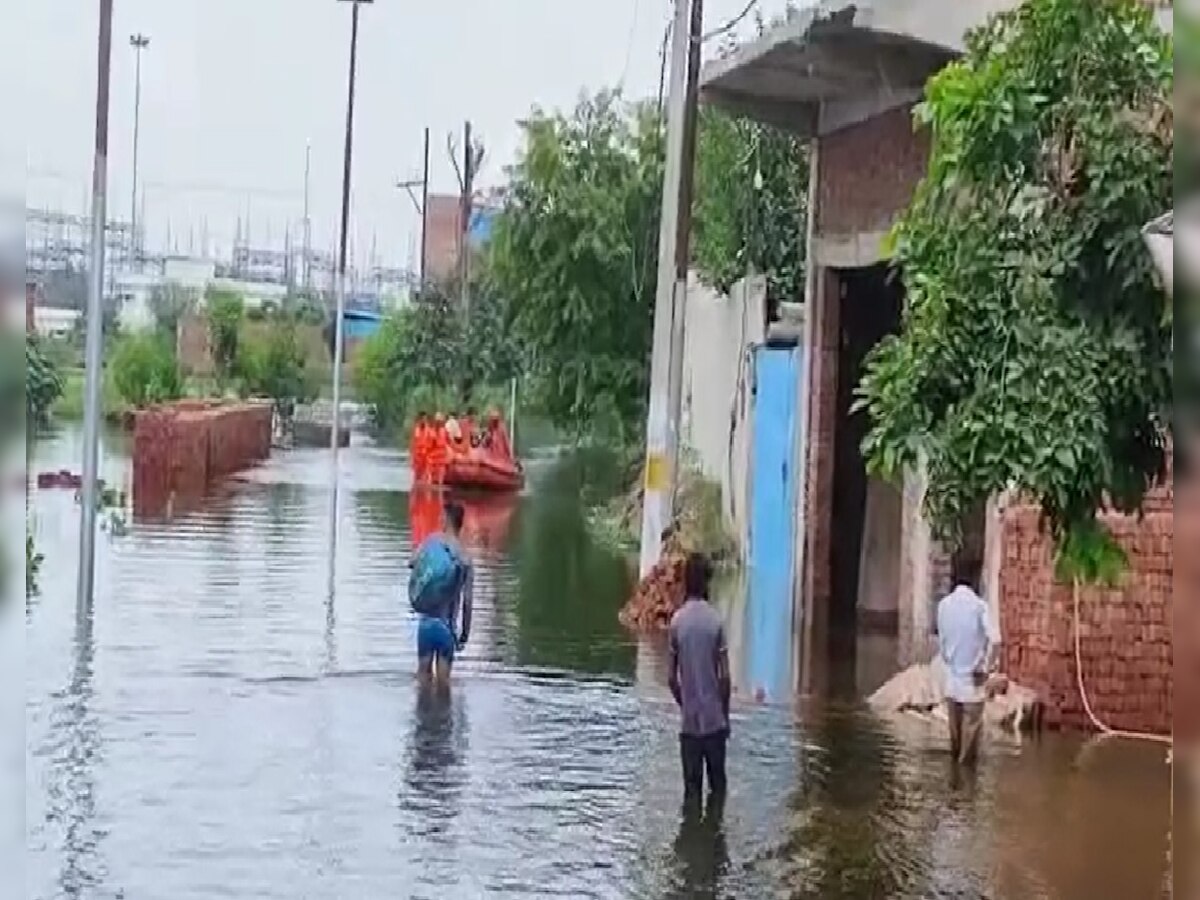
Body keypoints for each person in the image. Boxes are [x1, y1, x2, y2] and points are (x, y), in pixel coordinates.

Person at [668, 552, 731, 801]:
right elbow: (724, 678)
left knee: (691, 795)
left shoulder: (676, 622)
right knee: (718, 790)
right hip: (714, 723)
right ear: (706, 582)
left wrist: (686, 705)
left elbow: (672, 679)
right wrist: (724, 715)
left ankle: (691, 838)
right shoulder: (715, 621)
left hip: (690, 726)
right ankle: (715, 838)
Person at [936, 556, 1001, 767]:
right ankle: (965, 793)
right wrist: (987, 668)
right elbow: (997, 640)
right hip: (973, 683)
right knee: (968, 755)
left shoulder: (943, 605)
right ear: (975, 578)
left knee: (954, 748)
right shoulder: (980, 607)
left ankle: (952, 788)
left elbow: (943, 645)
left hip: (951, 682)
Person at [414, 501, 474, 683]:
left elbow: (412, 563)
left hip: (425, 624)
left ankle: (421, 711)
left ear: (446, 519)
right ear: (460, 523)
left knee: (422, 680)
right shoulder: (464, 557)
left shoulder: (431, 542)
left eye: (442, 517)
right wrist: (464, 634)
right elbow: (467, 601)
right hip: (447, 628)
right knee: (443, 686)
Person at [428, 413, 449, 485]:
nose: (439, 423)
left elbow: (449, 442)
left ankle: (439, 488)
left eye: (440, 421)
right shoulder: (430, 431)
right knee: (430, 477)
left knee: (441, 476)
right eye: (437, 421)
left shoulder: (444, 431)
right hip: (432, 457)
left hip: (441, 457)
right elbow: (428, 445)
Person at [411, 412, 431, 483]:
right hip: (417, 454)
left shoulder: (428, 429)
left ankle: (425, 485)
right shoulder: (416, 428)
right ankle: (417, 485)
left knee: (426, 473)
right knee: (416, 473)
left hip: (426, 454)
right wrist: (413, 454)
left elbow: (431, 441)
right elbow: (413, 442)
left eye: (425, 419)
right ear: (420, 419)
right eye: (422, 419)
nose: (424, 420)